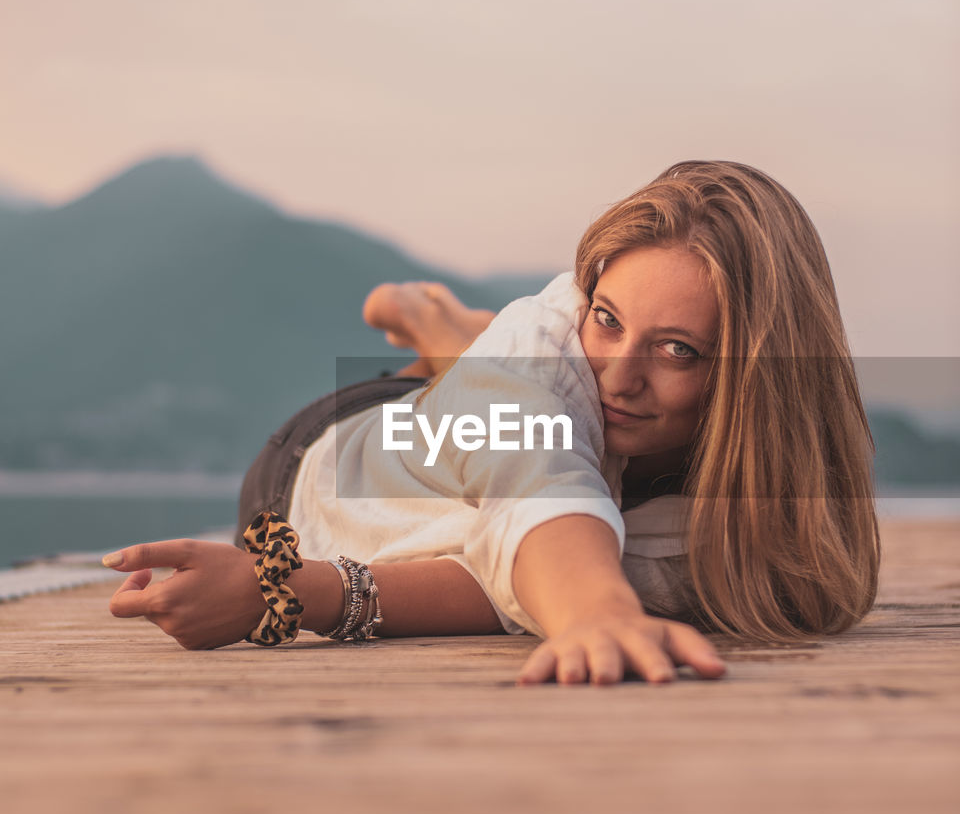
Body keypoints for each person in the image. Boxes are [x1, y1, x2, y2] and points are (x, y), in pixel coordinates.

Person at [103, 160, 880, 685]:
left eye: (677, 350)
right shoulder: (541, 364)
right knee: (516, 401)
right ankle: (450, 340)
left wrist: (300, 594)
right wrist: (597, 612)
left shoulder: (747, 510)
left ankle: (455, 340)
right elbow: (534, 486)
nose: (617, 375)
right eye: (603, 318)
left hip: (499, 426)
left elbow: (503, 581)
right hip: (333, 461)